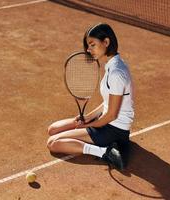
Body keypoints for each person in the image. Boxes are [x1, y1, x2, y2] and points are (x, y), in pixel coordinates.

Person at [46, 23, 134, 170]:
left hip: (114, 130)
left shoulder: (116, 73)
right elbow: (108, 103)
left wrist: (88, 125)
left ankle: (106, 152)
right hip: (106, 122)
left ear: (106, 42)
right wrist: (87, 117)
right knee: (53, 129)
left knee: (53, 143)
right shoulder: (113, 65)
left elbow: (112, 115)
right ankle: (105, 146)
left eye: (92, 45)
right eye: (88, 45)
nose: (88, 49)